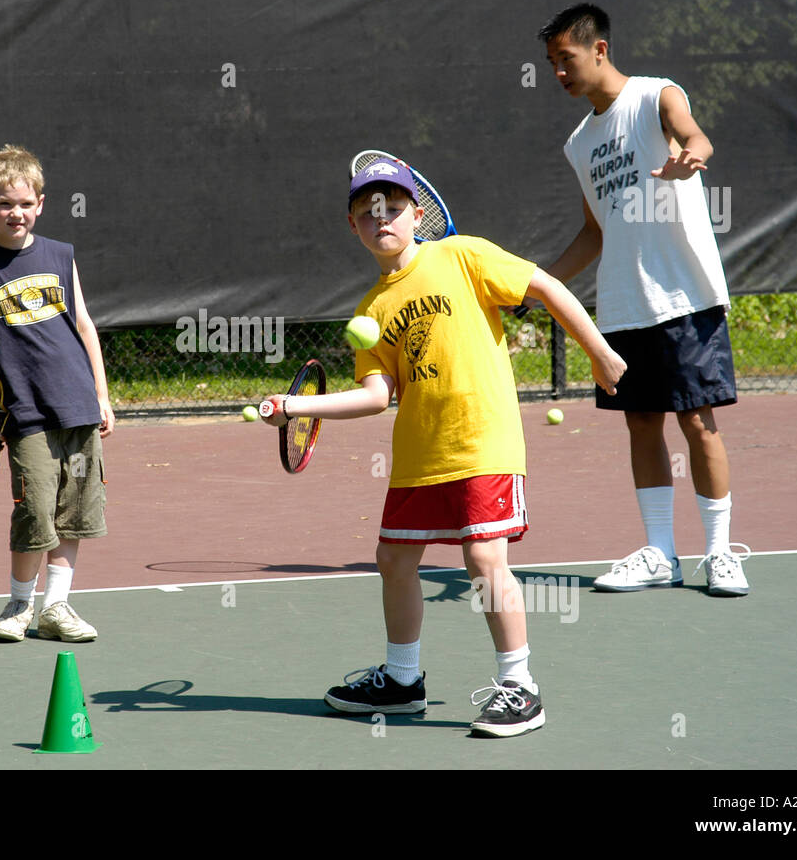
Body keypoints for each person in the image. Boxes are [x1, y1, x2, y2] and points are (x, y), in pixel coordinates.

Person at [261, 159, 625, 737]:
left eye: (393, 207)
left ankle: (521, 688)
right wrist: (295, 408)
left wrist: (598, 351)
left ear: (419, 214)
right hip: (418, 457)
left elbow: (546, 286)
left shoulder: (464, 256)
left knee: (484, 560)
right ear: (353, 226)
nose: (380, 218)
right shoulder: (370, 312)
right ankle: (403, 682)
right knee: (394, 560)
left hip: (483, 440)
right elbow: (377, 396)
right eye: (367, 211)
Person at [537, 3, 749, 596]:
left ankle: (720, 553)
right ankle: (660, 553)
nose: (558, 72)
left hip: (684, 295)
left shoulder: (656, 95)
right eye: (551, 63)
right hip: (624, 305)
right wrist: (541, 284)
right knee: (640, 424)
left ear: (598, 50)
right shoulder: (579, 144)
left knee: (698, 423)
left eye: (566, 59)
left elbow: (693, 133)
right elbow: (594, 231)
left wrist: (694, 156)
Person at [0, 144, 114, 643]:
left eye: (25, 203)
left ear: (41, 203)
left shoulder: (61, 255)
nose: (16, 213)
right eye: (5, 204)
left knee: (74, 510)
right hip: (24, 414)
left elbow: (85, 327)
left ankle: (57, 608)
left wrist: (102, 396)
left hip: (79, 407)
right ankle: (20, 605)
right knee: (34, 508)